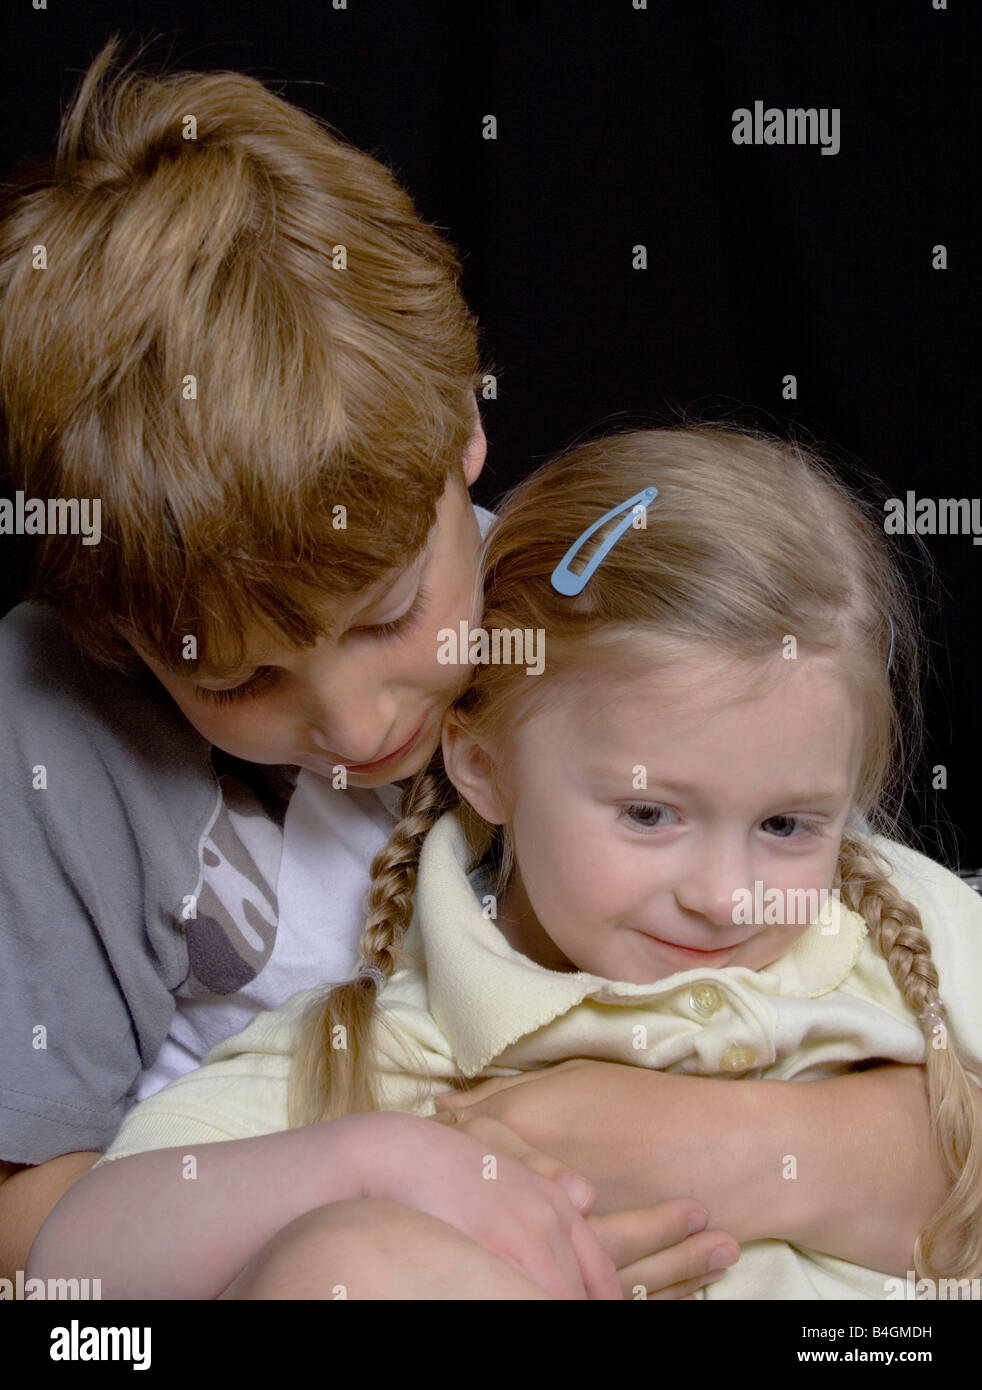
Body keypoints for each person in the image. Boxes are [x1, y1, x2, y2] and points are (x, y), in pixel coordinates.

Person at [0, 39, 958, 1296]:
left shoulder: (590, 624)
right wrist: (374, 1170)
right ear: (114, 635)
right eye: (238, 681)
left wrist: (719, 1144)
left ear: (464, 432)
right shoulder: (54, 725)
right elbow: (35, 1248)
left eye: (392, 614)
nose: (352, 721)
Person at [30, 426, 982, 1299]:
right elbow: (75, 1257)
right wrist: (371, 1165)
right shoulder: (396, 1046)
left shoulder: (903, 941)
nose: (726, 897)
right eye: (650, 813)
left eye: (786, 826)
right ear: (483, 769)